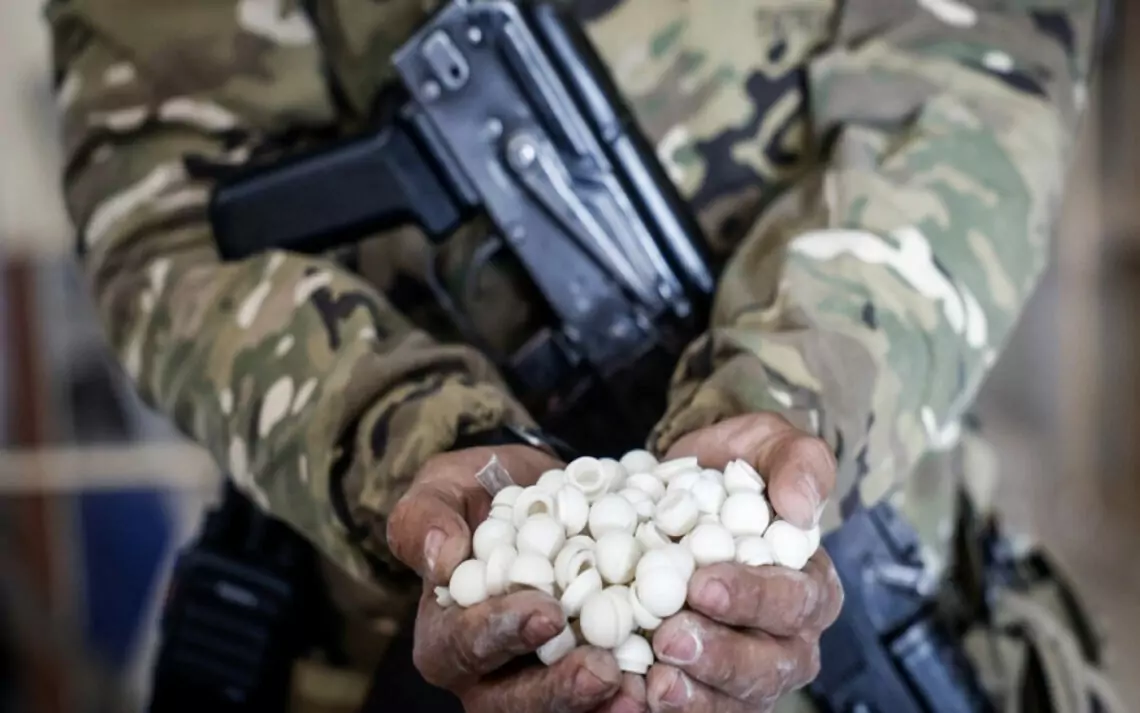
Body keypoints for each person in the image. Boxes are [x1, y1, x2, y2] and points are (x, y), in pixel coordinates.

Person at [45, 0, 1124, 711]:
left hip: (863, 564)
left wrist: (790, 400)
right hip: (385, 633)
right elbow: (171, 210)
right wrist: (409, 440)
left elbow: (975, 83)